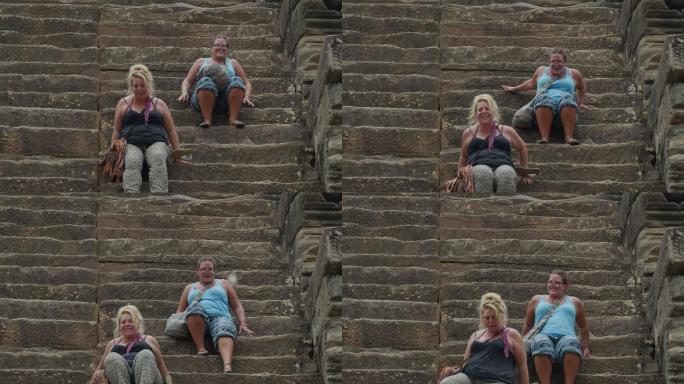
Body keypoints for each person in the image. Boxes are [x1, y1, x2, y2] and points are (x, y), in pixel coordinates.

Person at [111, 64, 186, 194]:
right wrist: (113, 152)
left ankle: (159, 195)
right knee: (132, 161)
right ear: (131, 86)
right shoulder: (123, 103)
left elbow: (171, 130)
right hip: (131, 143)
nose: (139, 89)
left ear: (149, 85)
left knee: (158, 158)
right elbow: (117, 130)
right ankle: (131, 194)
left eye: (142, 85)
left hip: (157, 142)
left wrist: (177, 153)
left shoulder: (159, 104)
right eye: (136, 86)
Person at [175, 256, 255, 373]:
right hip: (198, 320)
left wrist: (242, 322)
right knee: (194, 310)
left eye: (210, 269)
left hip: (220, 316)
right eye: (203, 269)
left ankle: (227, 364)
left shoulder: (223, 283)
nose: (207, 271)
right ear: (197, 271)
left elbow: (236, 304)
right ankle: (201, 348)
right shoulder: (189, 288)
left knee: (224, 327)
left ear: (214, 271)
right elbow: (180, 311)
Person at [447, 94, 533, 194]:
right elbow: (463, 156)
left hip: (504, 165)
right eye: (480, 109)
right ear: (475, 114)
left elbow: (522, 148)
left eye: (487, 108)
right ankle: (485, 207)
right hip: (478, 166)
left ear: (493, 111)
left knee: (506, 174)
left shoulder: (506, 130)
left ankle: (505, 207)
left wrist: (524, 172)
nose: (484, 112)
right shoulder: (468, 133)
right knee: (483, 173)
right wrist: (460, 175)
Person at [502, 48, 587, 145]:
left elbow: (582, 87)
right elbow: (531, 83)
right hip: (543, 106)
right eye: (553, 61)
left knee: (568, 100)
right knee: (544, 99)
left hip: (566, 108)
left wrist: (580, 103)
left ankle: (569, 137)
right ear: (549, 62)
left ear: (565, 62)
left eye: (559, 61)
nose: (556, 64)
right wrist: (514, 88)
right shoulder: (541, 71)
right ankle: (545, 137)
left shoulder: (574, 74)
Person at [439, 293, 529, 384]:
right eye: (487, 318)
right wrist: (454, 370)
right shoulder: (476, 335)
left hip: (497, 380)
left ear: (501, 316)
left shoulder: (512, 334)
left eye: (494, 317)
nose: (490, 321)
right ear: (482, 318)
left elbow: (522, 366)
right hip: (469, 378)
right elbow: (465, 363)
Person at [522, 271, 590, 384]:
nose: (552, 284)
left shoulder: (574, 301)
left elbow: (583, 327)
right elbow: (528, 325)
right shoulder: (537, 299)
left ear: (565, 286)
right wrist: (521, 345)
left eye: (557, 282)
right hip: (542, 335)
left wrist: (586, 346)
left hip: (566, 336)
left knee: (572, 342)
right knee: (541, 341)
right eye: (550, 282)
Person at [177, 35, 254, 129]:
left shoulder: (233, 63)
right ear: (211, 47)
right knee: (206, 81)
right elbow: (188, 80)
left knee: (236, 81)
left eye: (223, 46)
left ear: (227, 48)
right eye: (217, 45)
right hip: (203, 97)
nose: (220, 48)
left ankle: (233, 119)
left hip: (225, 99)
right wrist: (184, 92)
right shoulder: (201, 61)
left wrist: (247, 96)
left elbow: (246, 82)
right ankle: (207, 120)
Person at [89, 305, 171, 384]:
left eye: (130, 321)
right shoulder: (112, 344)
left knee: (145, 354)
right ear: (119, 326)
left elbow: (161, 366)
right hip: (121, 378)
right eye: (123, 322)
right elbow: (98, 371)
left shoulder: (149, 340)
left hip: (148, 377)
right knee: (111, 358)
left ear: (137, 323)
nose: (127, 324)